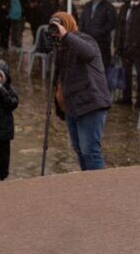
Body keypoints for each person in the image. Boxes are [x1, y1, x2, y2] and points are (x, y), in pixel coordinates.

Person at [49, 12, 111, 171]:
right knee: (79, 150)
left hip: (91, 103)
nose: (57, 31)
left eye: (59, 26)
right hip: (73, 106)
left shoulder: (85, 39)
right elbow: (59, 77)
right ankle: (87, 185)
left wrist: (66, 35)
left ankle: (97, 188)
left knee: (90, 151)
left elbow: (88, 53)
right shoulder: (61, 47)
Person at [79, 0, 117, 68]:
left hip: (102, 41)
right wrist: (82, 33)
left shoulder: (108, 6)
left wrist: (100, 32)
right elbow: (82, 20)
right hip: (87, 40)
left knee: (102, 64)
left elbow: (112, 23)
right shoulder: (87, 5)